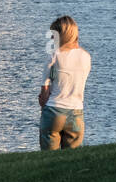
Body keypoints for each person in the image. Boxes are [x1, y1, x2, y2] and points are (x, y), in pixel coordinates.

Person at [39, 15, 91, 150]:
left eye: (53, 35)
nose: (51, 39)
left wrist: (43, 107)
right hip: (76, 113)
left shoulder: (54, 56)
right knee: (71, 161)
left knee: (48, 158)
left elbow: (45, 91)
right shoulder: (86, 57)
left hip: (53, 111)